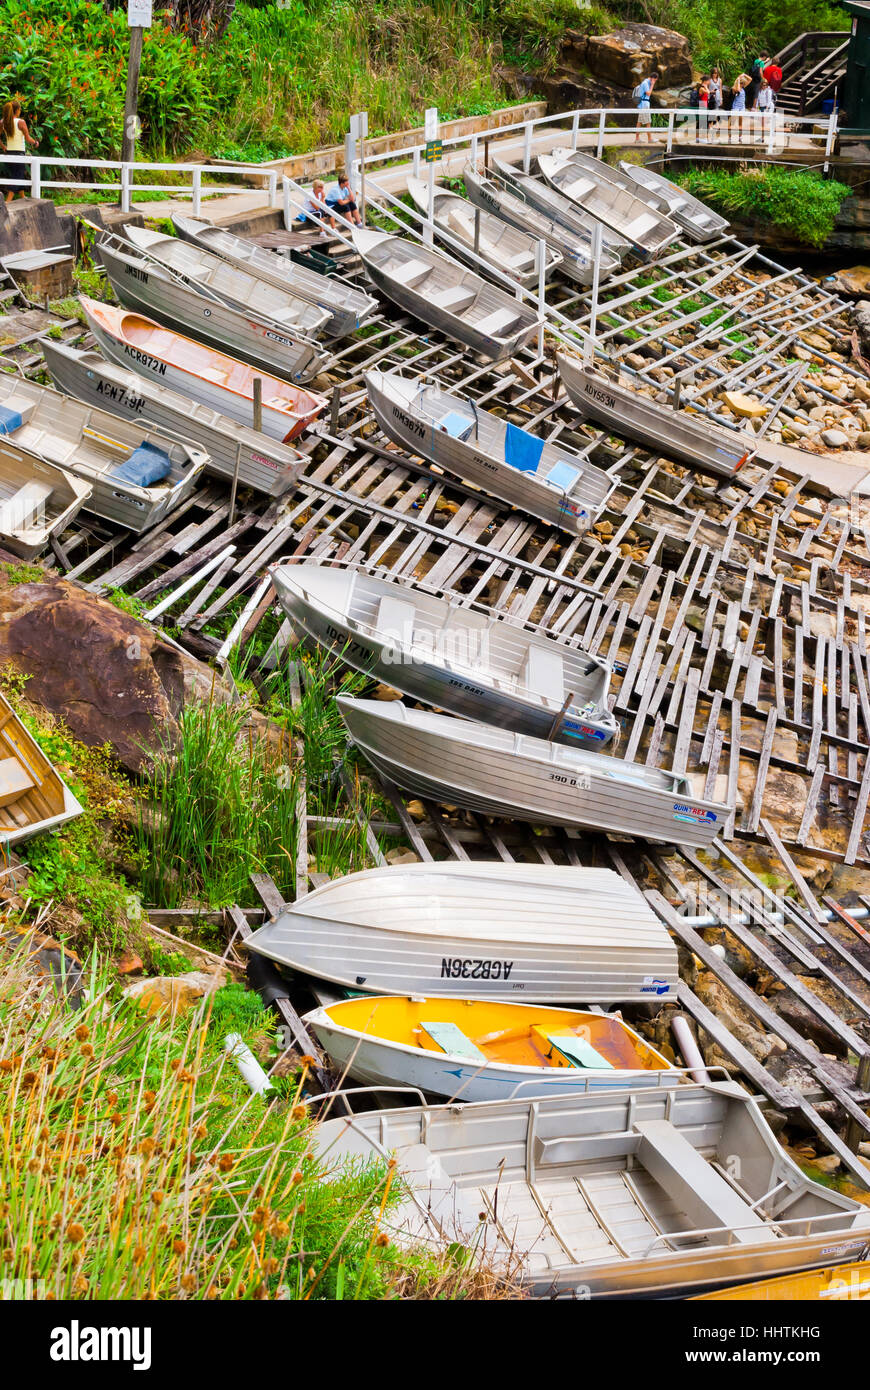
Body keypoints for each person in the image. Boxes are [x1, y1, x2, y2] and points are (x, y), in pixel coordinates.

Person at [1, 100, 37, 204]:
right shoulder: (21, 122)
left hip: (9, 153)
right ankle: (8, 201)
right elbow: (28, 138)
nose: (20, 111)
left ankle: (22, 196)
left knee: (17, 173)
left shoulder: (3, 122)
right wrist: (35, 143)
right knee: (18, 174)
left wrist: (3, 146)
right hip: (19, 153)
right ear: (17, 110)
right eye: (20, 109)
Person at [634, 70, 658, 144]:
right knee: (648, 122)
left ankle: (637, 139)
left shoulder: (645, 82)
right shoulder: (646, 83)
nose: (654, 81)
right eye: (655, 80)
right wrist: (652, 84)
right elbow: (648, 93)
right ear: (653, 78)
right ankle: (650, 139)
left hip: (642, 104)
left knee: (639, 122)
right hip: (644, 104)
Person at [730, 73, 751, 139]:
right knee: (732, 122)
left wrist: (744, 74)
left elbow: (750, 79)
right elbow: (738, 90)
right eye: (742, 83)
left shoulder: (743, 88)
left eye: (743, 83)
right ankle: (729, 136)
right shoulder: (734, 88)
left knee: (740, 122)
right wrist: (738, 79)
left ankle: (740, 136)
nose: (743, 84)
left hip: (742, 106)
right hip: (736, 106)